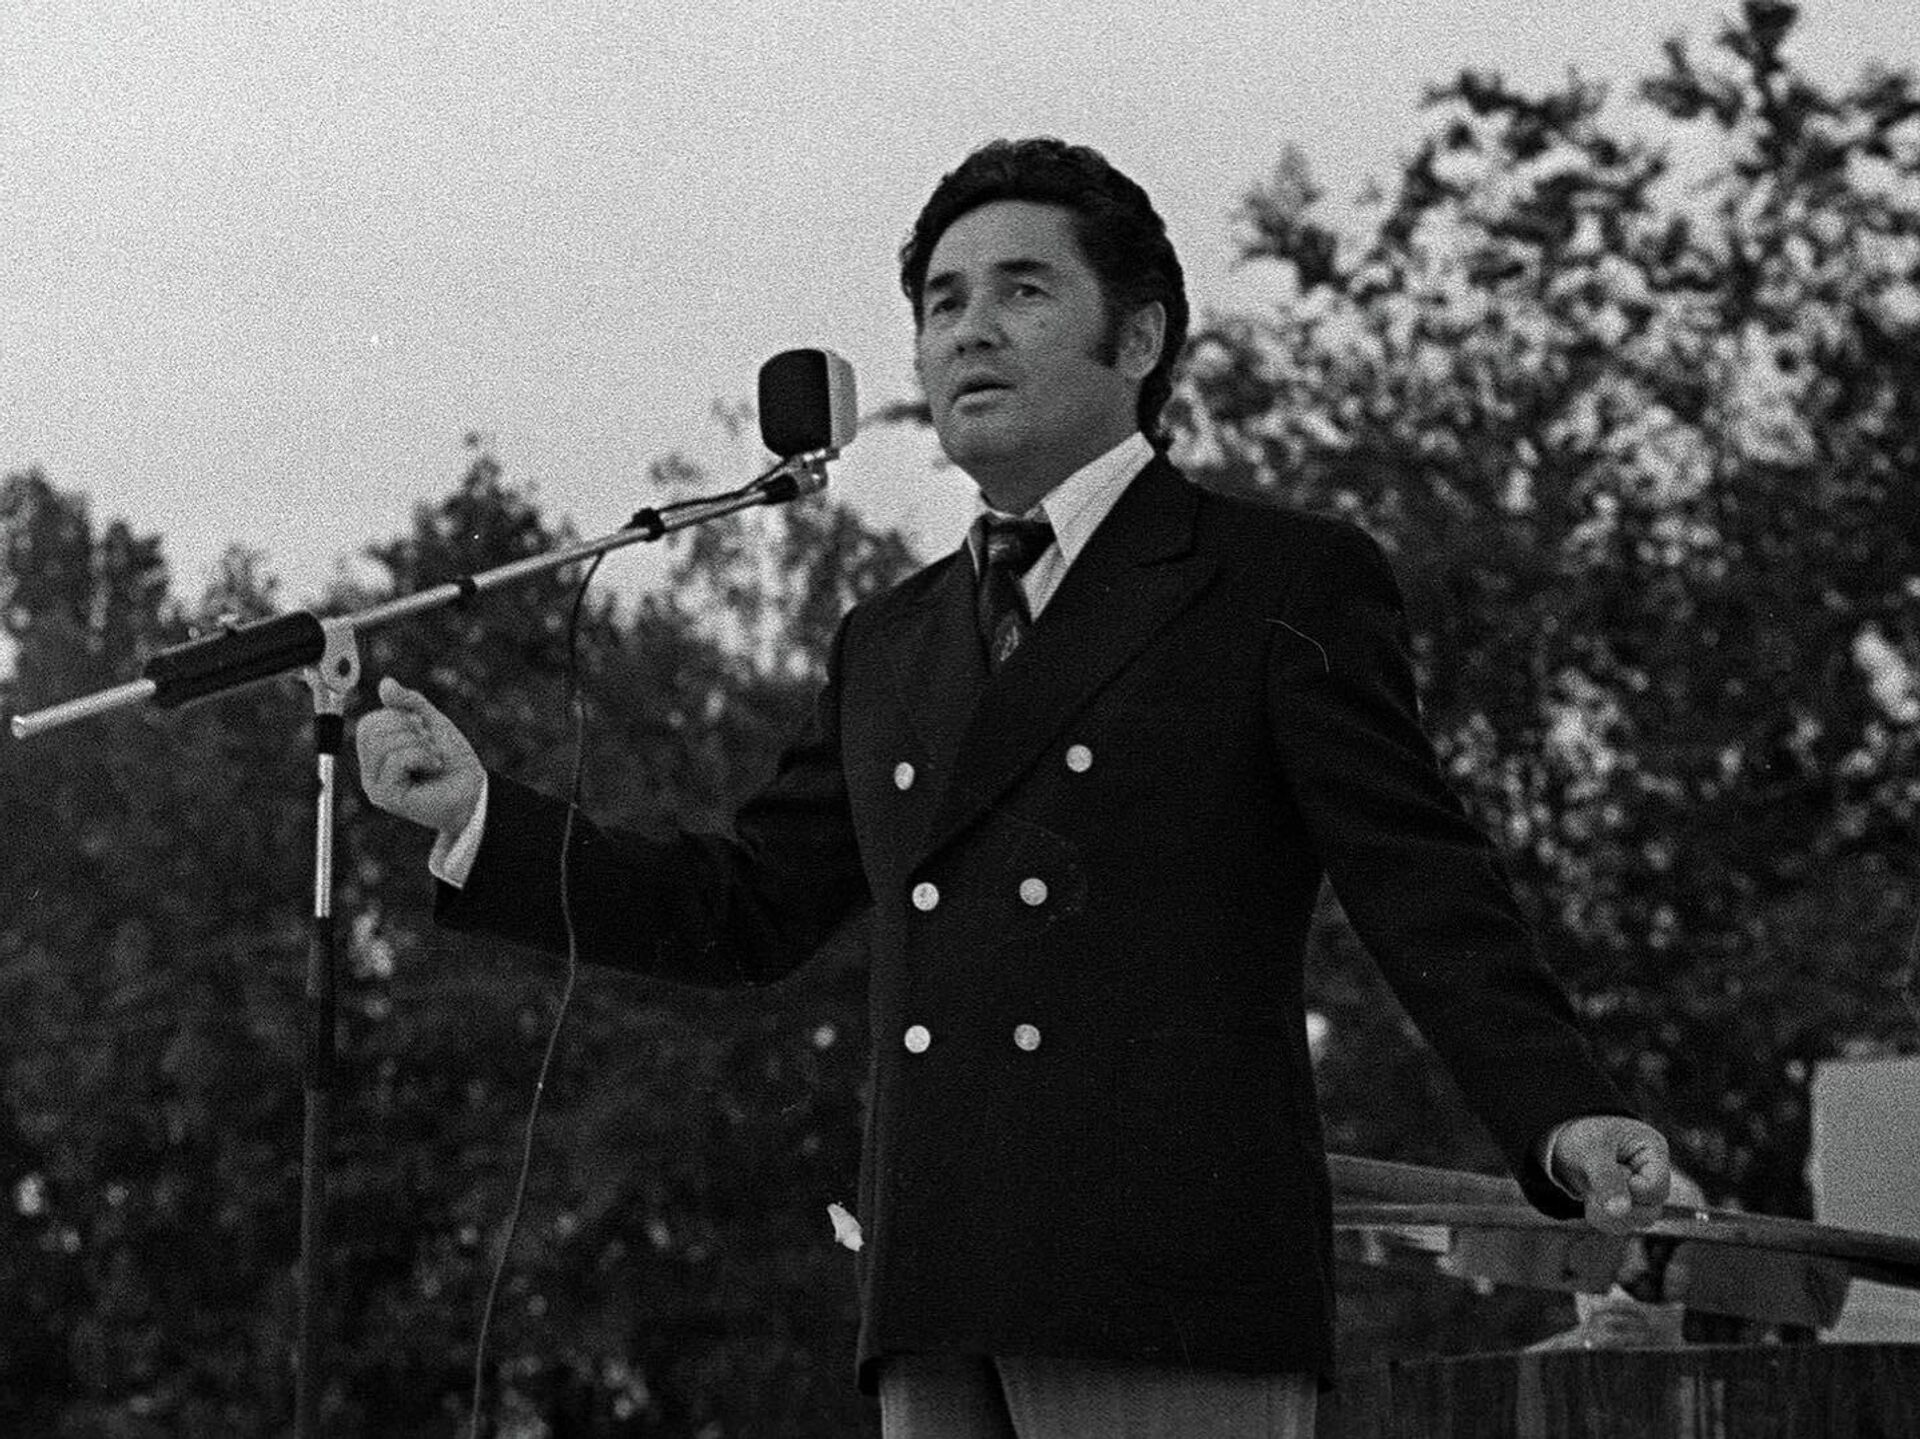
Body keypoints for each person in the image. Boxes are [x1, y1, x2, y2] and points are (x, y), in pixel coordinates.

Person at [355, 137, 1672, 1439]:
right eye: (942, 304)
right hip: (938, 1285)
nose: (968, 331)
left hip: (1169, 1282)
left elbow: (1420, 880)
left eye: (1022, 290)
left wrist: (1560, 1110)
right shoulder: (891, 640)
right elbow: (746, 909)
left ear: (1139, 338)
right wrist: (480, 820)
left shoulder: (1277, 581)